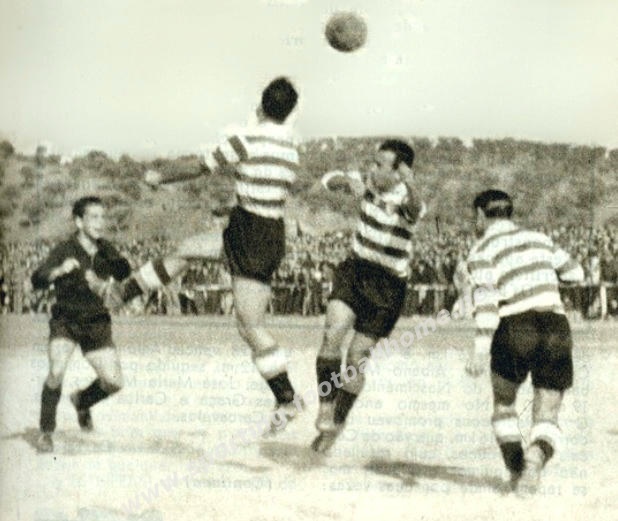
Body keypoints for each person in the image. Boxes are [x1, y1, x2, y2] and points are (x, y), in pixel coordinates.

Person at [110, 77, 303, 431]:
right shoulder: (290, 146)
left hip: (252, 235)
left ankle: (288, 398)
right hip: (259, 230)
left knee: (250, 326)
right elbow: (260, 186)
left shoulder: (247, 140)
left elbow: (200, 167)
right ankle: (124, 292)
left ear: (261, 105)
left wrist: (159, 177)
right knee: (187, 250)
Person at [465, 189, 584, 494]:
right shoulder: (539, 239)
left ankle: (516, 468)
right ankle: (535, 457)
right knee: (548, 412)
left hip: (515, 326)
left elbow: (487, 304)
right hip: (555, 325)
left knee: (504, 403)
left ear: (480, 215)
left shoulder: (480, 251)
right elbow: (576, 273)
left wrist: (480, 350)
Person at [311, 140, 425, 453]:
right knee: (332, 334)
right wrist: (345, 181)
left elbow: (415, 209)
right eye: (372, 163)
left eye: (379, 165)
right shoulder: (367, 183)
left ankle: (338, 421)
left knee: (356, 359)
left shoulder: (408, 199)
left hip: (387, 286)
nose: (372, 169)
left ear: (399, 172)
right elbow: (328, 180)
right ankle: (326, 406)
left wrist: (410, 183)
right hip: (355, 271)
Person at [32, 196, 131, 453]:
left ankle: (82, 401)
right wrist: (58, 271)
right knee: (56, 371)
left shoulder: (105, 248)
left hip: (96, 323)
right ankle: (46, 432)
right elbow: (37, 279)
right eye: (94, 217)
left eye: (102, 217)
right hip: (66, 321)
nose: (100, 222)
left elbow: (124, 271)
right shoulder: (64, 250)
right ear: (79, 221)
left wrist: (112, 267)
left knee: (114, 382)